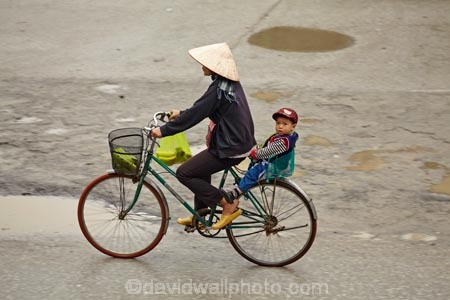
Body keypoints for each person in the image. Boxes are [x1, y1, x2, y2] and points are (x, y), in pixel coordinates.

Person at [150, 42, 256, 230]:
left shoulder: (218, 90)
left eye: (205, 63)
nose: (202, 66)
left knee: (185, 172)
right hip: (238, 142)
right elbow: (203, 108)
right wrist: (181, 113)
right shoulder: (227, 84)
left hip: (231, 147)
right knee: (200, 169)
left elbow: (198, 113)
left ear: (215, 67)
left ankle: (227, 203)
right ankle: (200, 215)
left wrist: (164, 131)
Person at [226, 108, 299, 200]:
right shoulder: (285, 136)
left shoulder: (284, 142)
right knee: (251, 171)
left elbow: (268, 151)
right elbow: (266, 145)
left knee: (253, 173)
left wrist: (255, 154)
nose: (280, 126)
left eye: (285, 124)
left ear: (293, 126)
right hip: (273, 163)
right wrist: (255, 149)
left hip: (272, 166)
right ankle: (244, 183)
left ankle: (237, 192)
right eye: (278, 123)